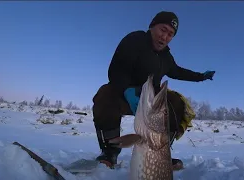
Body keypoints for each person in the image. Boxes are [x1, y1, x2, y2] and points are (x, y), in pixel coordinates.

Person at [91, 11, 216, 170]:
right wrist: (127, 90)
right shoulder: (134, 40)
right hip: (126, 94)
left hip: (151, 102)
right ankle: (110, 152)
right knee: (105, 94)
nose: (165, 37)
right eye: (163, 30)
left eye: (170, 34)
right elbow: (116, 69)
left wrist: (201, 76)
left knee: (176, 103)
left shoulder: (166, 57)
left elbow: (179, 72)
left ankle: (161, 153)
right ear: (152, 27)